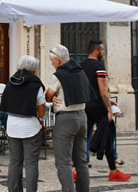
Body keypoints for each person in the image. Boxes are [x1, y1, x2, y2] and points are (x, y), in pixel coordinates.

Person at [81, 40, 130, 182]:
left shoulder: (81, 65)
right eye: (102, 50)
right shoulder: (99, 66)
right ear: (96, 51)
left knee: (83, 138)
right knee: (107, 137)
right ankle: (113, 172)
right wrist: (109, 108)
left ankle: (76, 170)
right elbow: (102, 90)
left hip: (86, 105)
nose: (103, 53)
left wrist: (109, 100)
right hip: (98, 106)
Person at [45, 44, 92, 192]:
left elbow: (48, 96)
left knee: (64, 162)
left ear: (58, 60)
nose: (52, 63)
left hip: (66, 119)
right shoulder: (80, 71)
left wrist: (52, 98)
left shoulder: (59, 75)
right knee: (81, 162)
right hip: (82, 117)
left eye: (52, 61)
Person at [0, 55, 45, 192]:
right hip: (30, 127)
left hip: (13, 126)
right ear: (33, 69)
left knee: (15, 162)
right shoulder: (36, 84)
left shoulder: (11, 82)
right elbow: (41, 111)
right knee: (31, 164)